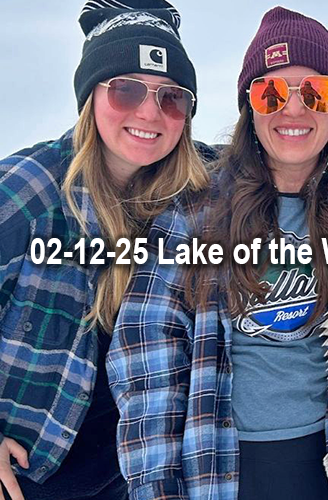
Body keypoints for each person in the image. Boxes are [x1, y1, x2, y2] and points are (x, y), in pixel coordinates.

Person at [107, 6, 328, 500]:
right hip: (223, 465)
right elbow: (147, 360)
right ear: (250, 107)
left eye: (316, 92)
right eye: (270, 93)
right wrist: (156, 488)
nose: (293, 110)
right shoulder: (192, 219)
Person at [0, 1, 208, 500]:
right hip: (30, 476)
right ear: (89, 95)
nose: (149, 112)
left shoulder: (190, 202)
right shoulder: (28, 191)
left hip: (126, 475)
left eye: (172, 97)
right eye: (127, 89)